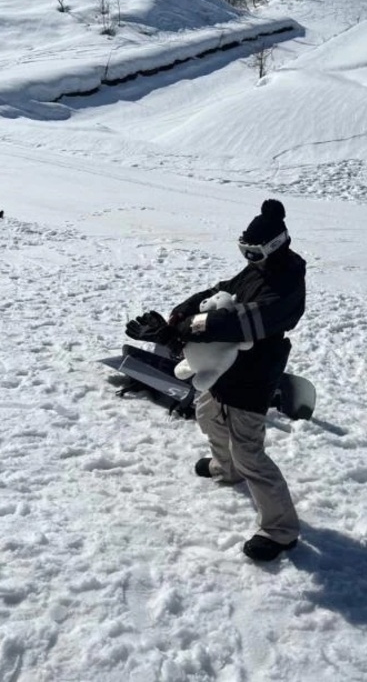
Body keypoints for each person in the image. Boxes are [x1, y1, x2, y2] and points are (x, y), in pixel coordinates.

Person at [126, 199, 306, 562]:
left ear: (275, 245)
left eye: (253, 253)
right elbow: (222, 289)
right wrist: (183, 311)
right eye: (244, 251)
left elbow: (242, 320)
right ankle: (227, 469)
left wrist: (181, 331)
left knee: (249, 451)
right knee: (209, 416)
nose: (248, 259)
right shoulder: (258, 269)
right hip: (223, 368)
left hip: (253, 373)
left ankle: (280, 530)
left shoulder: (286, 283)